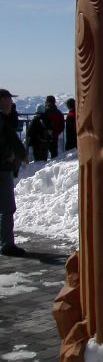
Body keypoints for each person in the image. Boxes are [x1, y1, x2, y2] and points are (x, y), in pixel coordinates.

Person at [0, 88, 28, 256]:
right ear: (2, 100)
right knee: (7, 208)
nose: (11, 102)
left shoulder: (5, 118)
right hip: (2, 167)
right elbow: (7, 139)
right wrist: (9, 155)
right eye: (9, 99)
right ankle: (6, 244)